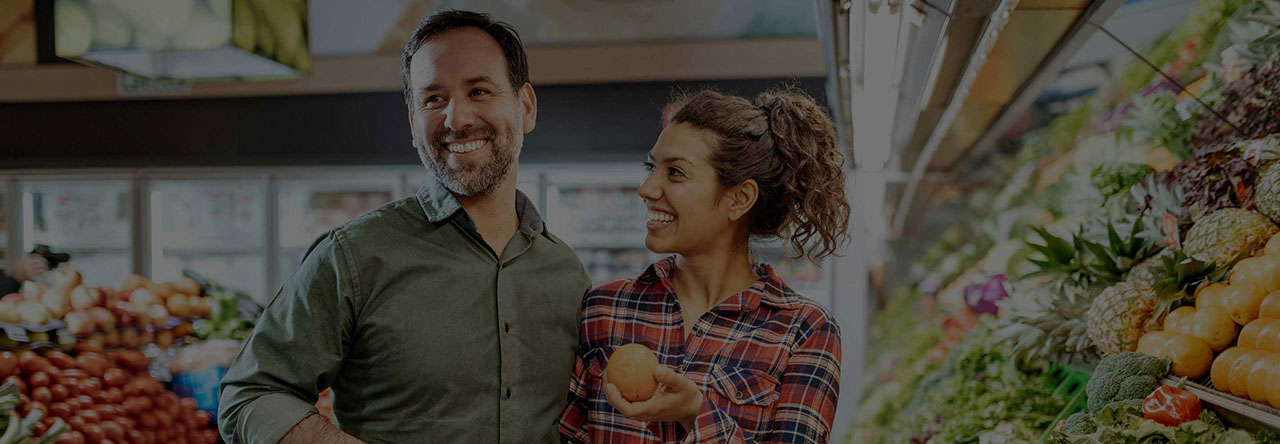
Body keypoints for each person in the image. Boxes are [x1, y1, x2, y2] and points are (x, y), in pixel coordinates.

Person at [218, 10, 590, 444]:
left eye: (479, 90)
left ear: (524, 107)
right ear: (413, 123)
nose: (456, 118)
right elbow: (251, 393)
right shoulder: (354, 257)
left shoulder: (567, 274)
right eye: (433, 99)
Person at [558, 88, 849, 443]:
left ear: (739, 199)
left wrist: (694, 412)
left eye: (675, 173)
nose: (647, 188)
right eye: (652, 167)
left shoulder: (803, 331)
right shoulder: (604, 309)